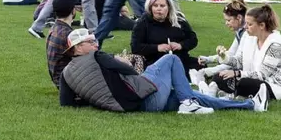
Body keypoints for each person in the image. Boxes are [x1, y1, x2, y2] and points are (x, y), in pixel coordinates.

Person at [59, 29, 256, 114]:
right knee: (170, 59)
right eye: (89, 42)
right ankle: (189, 104)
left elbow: (67, 103)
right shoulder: (98, 56)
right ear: (77, 48)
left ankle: (247, 105)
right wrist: (119, 59)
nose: (95, 43)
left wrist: (94, 96)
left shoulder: (66, 73)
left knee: (188, 94)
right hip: (143, 98)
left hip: (133, 105)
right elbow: (130, 71)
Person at [213, 5, 281, 110]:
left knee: (244, 83)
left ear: (261, 25)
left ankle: (231, 94)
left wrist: (237, 73)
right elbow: (239, 61)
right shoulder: (249, 37)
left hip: (278, 86)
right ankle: (231, 93)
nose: (246, 27)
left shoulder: (276, 45)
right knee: (219, 76)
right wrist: (225, 57)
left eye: (250, 24)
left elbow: (262, 75)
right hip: (253, 78)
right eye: (246, 23)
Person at [189, 0, 248, 95]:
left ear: (239, 18)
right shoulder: (240, 32)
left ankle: (207, 87)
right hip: (242, 69)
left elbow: (235, 62)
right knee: (210, 73)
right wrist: (210, 59)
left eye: (229, 20)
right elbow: (231, 54)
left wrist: (209, 70)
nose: (226, 23)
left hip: (246, 71)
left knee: (211, 75)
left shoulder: (245, 34)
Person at [130, 0, 199, 72]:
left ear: (169, 7)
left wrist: (181, 45)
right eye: (155, 6)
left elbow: (193, 39)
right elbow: (135, 47)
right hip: (154, 61)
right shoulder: (142, 23)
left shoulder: (179, 20)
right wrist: (157, 48)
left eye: (162, 6)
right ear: (150, 7)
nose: (159, 8)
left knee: (200, 64)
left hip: (180, 58)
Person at [45, 0, 80, 88]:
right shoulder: (68, 34)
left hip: (59, 79)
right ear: (73, 10)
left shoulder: (54, 28)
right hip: (68, 83)